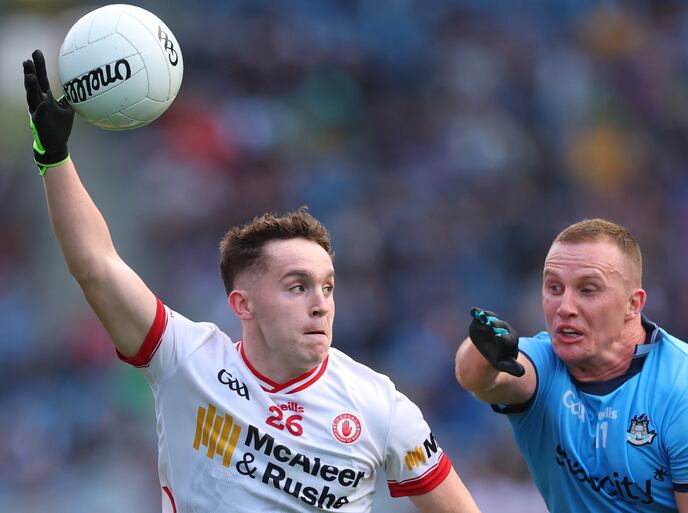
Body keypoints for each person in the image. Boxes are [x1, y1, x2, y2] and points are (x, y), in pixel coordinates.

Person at [23, 49, 481, 513]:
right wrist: (54, 157)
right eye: (298, 286)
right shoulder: (186, 360)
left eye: (327, 287)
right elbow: (96, 266)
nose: (321, 304)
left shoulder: (380, 405)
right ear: (243, 304)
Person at [455, 218, 688, 513]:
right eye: (554, 287)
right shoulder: (545, 364)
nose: (565, 307)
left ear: (633, 304)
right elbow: (481, 378)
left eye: (588, 290)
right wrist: (483, 349)